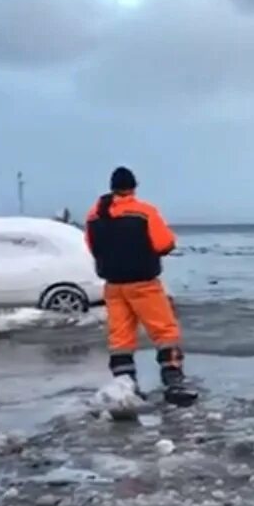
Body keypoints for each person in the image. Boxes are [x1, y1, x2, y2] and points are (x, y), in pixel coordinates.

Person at [84, 167, 195, 401]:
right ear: (133, 187)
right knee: (164, 331)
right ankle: (173, 381)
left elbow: (92, 247)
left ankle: (125, 386)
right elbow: (164, 243)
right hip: (143, 282)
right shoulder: (144, 212)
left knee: (120, 338)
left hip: (113, 285)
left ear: (112, 187)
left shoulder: (94, 215)